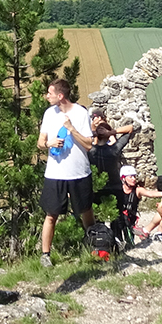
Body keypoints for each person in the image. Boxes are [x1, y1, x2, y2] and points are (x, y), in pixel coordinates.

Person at [37, 78, 94, 267]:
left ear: (60, 96)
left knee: (85, 210)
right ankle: (45, 255)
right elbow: (40, 142)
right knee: (51, 214)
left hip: (78, 172)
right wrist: (48, 144)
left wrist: (72, 129)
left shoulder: (80, 113)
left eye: (50, 93)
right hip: (55, 174)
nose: (47, 96)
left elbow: (88, 145)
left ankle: (94, 245)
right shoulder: (48, 114)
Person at [89, 120, 134, 214]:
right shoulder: (114, 150)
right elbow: (130, 128)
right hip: (115, 186)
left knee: (96, 219)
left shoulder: (90, 151)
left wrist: (94, 133)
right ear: (109, 135)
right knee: (117, 218)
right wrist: (112, 132)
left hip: (97, 188)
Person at [113, 165, 162, 246]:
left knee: (130, 243)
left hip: (129, 220)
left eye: (134, 176)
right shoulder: (118, 189)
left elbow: (150, 193)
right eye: (130, 177)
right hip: (117, 219)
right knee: (117, 240)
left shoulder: (138, 190)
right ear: (123, 178)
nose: (133, 179)